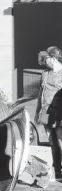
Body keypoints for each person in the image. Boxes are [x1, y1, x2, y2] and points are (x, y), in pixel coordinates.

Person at [36, 46, 62, 179]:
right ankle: (56, 170)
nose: (45, 62)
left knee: (60, 141)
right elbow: (41, 94)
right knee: (51, 141)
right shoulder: (45, 74)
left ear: (53, 58)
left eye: (47, 59)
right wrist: (37, 112)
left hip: (59, 113)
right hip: (46, 112)